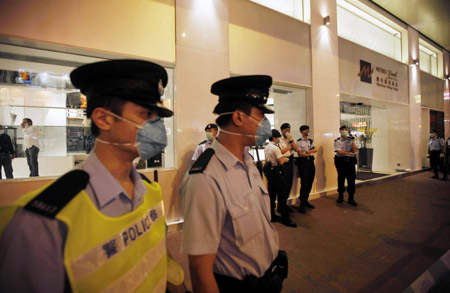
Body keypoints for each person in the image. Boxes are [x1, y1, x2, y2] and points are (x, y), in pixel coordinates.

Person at [0, 60, 184, 292]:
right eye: (146, 114)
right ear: (103, 118)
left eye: (158, 116)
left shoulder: (150, 191)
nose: (156, 126)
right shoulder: (43, 222)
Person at [180, 75, 287, 292]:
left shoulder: (248, 162)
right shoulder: (206, 178)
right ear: (238, 117)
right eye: (260, 115)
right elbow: (200, 272)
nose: (264, 123)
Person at [264, 129, 296, 227]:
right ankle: (285, 218)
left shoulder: (267, 147)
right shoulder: (275, 148)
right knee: (282, 194)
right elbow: (281, 161)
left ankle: (272, 215)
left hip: (270, 172)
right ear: (275, 137)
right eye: (278, 137)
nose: (278, 139)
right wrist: (286, 160)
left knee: (272, 194)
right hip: (277, 172)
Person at [334, 125, 358, 206]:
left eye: (346, 129)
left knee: (351, 180)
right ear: (339, 131)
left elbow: (354, 151)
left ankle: (351, 198)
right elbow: (339, 152)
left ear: (348, 131)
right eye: (343, 129)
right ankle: (340, 196)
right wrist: (349, 153)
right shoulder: (337, 141)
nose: (344, 131)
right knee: (341, 179)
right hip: (341, 162)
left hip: (350, 162)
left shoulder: (351, 140)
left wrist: (354, 142)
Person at [295, 125, 317, 214]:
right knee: (304, 184)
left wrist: (307, 152)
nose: (307, 131)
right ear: (301, 131)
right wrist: (309, 153)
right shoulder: (299, 142)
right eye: (305, 130)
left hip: (311, 163)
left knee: (310, 182)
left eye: (308, 130)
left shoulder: (311, 140)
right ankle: (302, 204)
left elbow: (316, 149)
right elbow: (300, 154)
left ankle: (306, 200)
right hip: (303, 164)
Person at [279, 123, 299, 211]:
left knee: (289, 183)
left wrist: (291, 141)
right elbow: (280, 152)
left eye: (289, 130)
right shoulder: (279, 140)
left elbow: (296, 149)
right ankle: (281, 206)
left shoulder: (290, 139)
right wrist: (288, 147)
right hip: (283, 162)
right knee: (283, 185)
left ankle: (285, 204)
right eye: (286, 130)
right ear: (282, 130)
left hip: (290, 161)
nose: (287, 132)